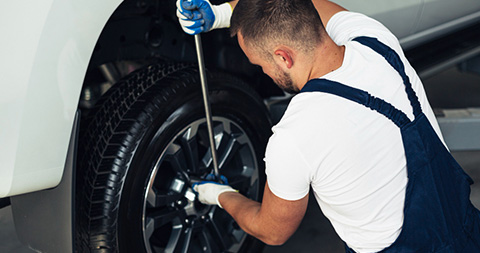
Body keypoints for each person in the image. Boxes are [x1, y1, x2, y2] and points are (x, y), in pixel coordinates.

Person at [177, 0, 480, 252]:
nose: (263, 72)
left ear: (283, 57)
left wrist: (217, 194)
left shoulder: (294, 136)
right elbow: (316, 6)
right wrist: (221, 13)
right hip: (468, 232)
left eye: (260, 64)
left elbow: (272, 231)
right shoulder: (375, 40)